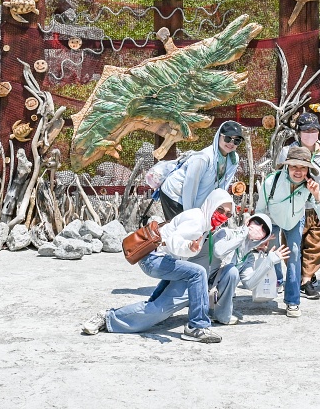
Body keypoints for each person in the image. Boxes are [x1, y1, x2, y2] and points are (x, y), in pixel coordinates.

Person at [81, 211, 289, 338]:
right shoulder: (227, 233)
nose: (257, 229)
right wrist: (243, 233)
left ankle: (222, 316)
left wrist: (270, 261)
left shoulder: (248, 257)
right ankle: (108, 317)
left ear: (264, 238)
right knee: (157, 312)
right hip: (190, 277)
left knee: (233, 271)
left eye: (263, 229)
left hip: (203, 286)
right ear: (248, 222)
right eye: (256, 223)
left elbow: (250, 284)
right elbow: (218, 251)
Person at [82, 190, 234, 343]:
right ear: (211, 204)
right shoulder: (198, 219)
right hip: (155, 258)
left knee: (157, 308)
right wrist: (189, 246)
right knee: (198, 273)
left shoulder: (203, 223)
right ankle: (197, 326)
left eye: (228, 214)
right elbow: (175, 240)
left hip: (161, 258)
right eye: (220, 209)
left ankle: (107, 318)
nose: (222, 216)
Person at [256, 146, 320, 317]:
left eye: (303, 167)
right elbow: (260, 210)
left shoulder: (310, 186)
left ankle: (292, 301)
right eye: (294, 166)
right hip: (272, 219)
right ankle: (278, 281)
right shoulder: (270, 182)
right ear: (287, 167)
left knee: (294, 254)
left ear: (308, 169)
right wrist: (262, 235)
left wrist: (318, 196)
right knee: (273, 252)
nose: (298, 171)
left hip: (295, 220)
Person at [275, 112, 320, 300]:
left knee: (317, 244)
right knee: (293, 245)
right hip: (296, 206)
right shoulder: (288, 151)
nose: (310, 133)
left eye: (313, 130)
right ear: (298, 132)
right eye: (305, 130)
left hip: (319, 204)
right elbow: (279, 177)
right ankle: (300, 276)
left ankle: (307, 279)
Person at [159, 121, 243, 220]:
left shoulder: (233, 159)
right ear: (219, 136)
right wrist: (189, 215)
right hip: (175, 194)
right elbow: (189, 187)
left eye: (236, 141)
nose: (231, 143)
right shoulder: (203, 158)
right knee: (182, 230)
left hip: (194, 196)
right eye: (228, 138)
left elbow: (223, 187)